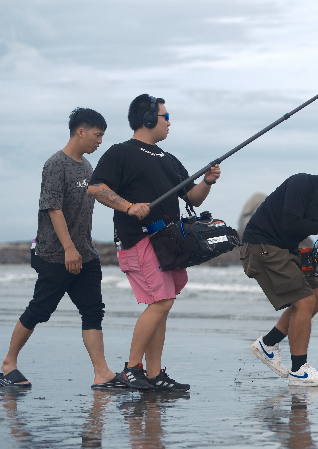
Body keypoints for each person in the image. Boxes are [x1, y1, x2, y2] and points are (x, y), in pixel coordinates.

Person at [88, 94, 221, 391]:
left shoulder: (168, 159)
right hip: (140, 239)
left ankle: (154, 373)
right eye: (165, 116)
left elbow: (193, 198)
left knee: (163, 304)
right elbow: (96, 188)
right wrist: (128, 207)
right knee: (161, 302)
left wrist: (207, 181)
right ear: (148, 119)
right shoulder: (120, 152)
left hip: (169, 243)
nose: (169, 122)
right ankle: (131, 369)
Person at [1, 108, 119, 389]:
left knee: (93, 310)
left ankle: (102, 373)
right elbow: (53, 208)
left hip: (86, 253)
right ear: (81, 131)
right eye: (97, 135)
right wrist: (68, 249)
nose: (100, 141)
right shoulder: (55, 164)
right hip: (55, 254)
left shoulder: (87, 167)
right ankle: (8, 365)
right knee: (40, 309)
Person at [241, 157, 318, 387]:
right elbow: (290, 222)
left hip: (287, 250)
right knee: (305, 301)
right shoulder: (300, 184)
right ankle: (299, 370)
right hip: (260, 245)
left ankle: (268, 344)